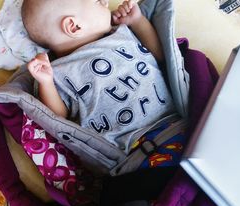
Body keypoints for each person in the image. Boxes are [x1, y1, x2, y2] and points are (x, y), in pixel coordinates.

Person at [20, 0, 177, 154]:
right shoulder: (58, 71)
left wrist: (138, 21)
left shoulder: (120, 32)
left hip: (175, 122)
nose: (106, 2)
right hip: (132, 148)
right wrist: (45, 82)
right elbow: (59, 116)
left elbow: (160, 55)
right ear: (74, 27)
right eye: (98, 1)